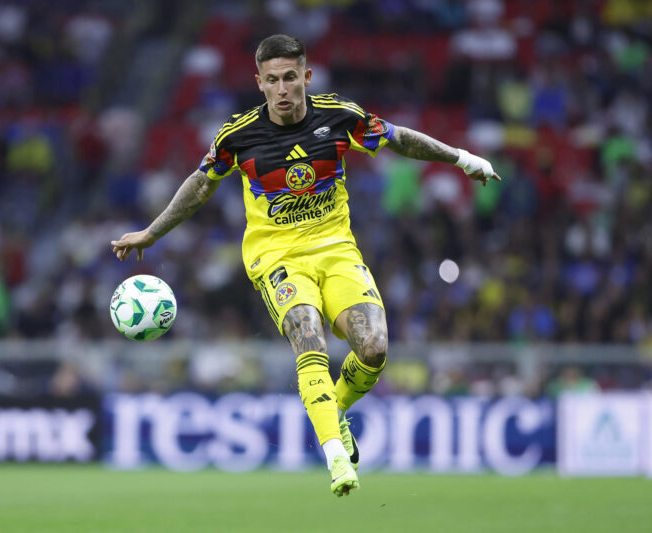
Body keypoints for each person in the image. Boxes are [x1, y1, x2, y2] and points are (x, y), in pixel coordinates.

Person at [111, 34, 501, 496]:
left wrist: (462, 158)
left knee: (374, 348)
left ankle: (332, 409)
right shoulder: (238, 137)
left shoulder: (339, 117)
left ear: (306, 77)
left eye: (290, 78)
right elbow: (200, 186)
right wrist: (151, 233)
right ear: (259, 83)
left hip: (336, 249)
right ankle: (336, 455)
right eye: (271, 80)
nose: (281, 89)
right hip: (276, 257)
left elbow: (400, 140)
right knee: (306, 332)